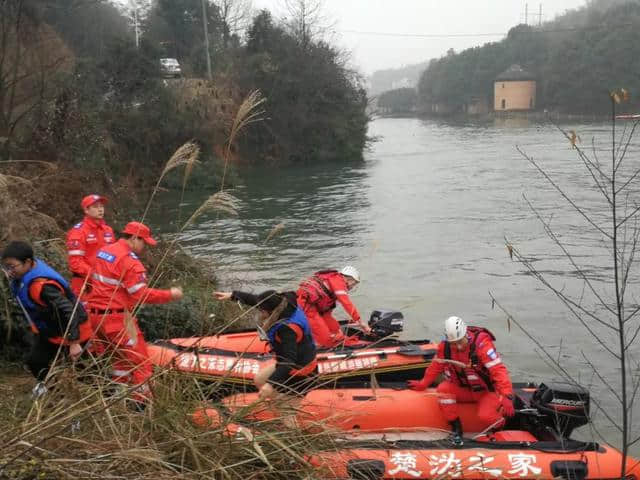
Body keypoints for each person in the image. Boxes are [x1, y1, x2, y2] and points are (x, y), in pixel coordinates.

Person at [87, 221, 183, 405]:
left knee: (120, 362)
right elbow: (140, 294)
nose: (144, 247)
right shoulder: (129, 261)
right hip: (117, 318)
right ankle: (141, 405)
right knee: (140, 362)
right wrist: (170, 294)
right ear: (133, 238)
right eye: (143, 242)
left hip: (95, 317)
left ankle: (117, 400)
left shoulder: (104, 251)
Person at [408, 316, 515, 445]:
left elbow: (498, 370)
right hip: (465, 389)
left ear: (466, 335)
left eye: (460, 342)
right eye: (454, 343)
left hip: (487, 392)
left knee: (485, 416)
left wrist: (506, 395)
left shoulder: (482, 345)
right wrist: (423, 383)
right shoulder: (445, 347)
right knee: (443, 389)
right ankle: (456, 427)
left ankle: (501, 427)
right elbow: (436, 366)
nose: (458, 347)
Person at [1, 241, 91, 385]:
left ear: (28, 262)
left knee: (85, 372)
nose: (9, 271)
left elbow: (69, 309)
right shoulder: (26, 273)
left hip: (72, 330)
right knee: (36, 362)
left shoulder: (41, 287)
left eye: (12, 266)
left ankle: (110, 395)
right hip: (50, 330)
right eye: (6, 267)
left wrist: (74, 342)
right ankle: (56, 393)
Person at [213, 289, 317, 399]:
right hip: (290, 362)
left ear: (271, 312)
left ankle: (288, 407)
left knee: (284, 405)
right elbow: (257, 300)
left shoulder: (286, 330)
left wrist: (271, 384)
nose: (260, 313)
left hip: (300, 372)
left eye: (262, 311)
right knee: (259, 380)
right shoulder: (284, 305)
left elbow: (288, 361)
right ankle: (280, 401)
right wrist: (233, 295)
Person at [296, 265, 369, 349]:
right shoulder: (338, 281)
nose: (353, 286)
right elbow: (346, 303)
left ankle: (336, 342)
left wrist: (354, 321)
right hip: (308, 307)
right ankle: (320, 348)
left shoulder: (332, 281)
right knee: (325, 338)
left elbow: (327, 307)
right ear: (349, 279)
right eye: (354, 283)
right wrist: (359, 321)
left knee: (336, 329)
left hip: (318, 308)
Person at [66, 194, 115, 297]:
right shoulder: (78, 232)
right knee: (84, 312)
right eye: (95, 207)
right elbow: (75, 263)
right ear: (86, 210)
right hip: (84, 284)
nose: (100, 210)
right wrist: (96, 275)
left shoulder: (108, 230)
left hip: (106, 284)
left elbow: (114, 257)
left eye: (101, 206)